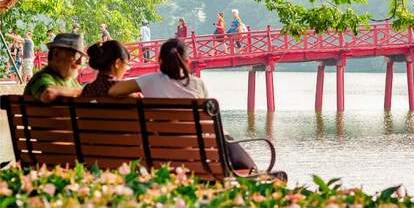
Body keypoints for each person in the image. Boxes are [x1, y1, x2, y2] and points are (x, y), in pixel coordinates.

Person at [108, 38, 255, 170]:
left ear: (159, 60)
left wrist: (137, 96)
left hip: (159, 153)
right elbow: (207, 122)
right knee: (224, 135)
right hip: (197, 155)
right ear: (187, 61)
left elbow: (114, 91)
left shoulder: (148, 81)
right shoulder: (198, 85)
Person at [22, 33, 85, 103]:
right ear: (56, 54)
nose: (80, 62)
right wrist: (84, 91)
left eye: (82, 58)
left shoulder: (72, 82)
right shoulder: (41, 78)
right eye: (76, 56)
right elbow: (48, 94)